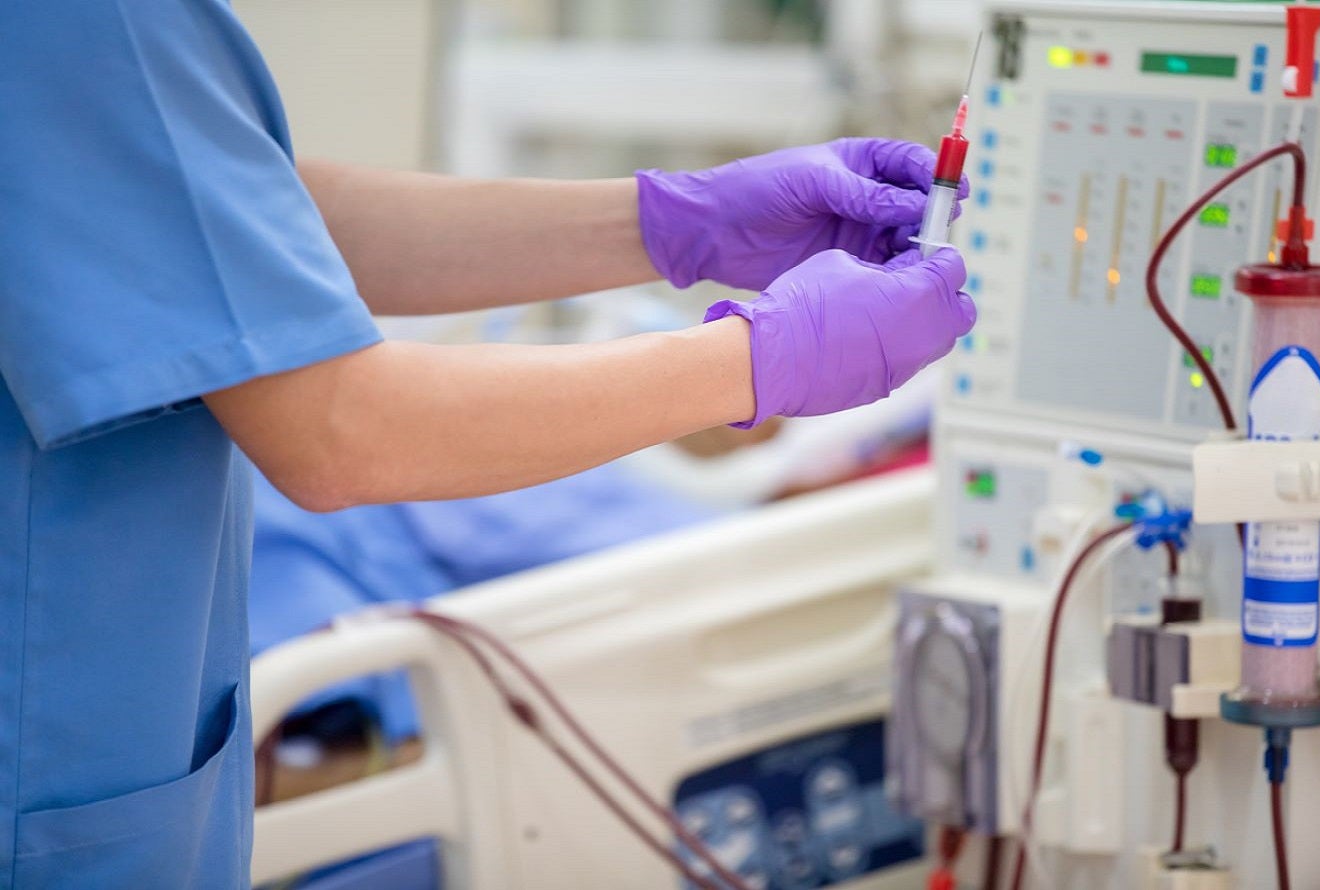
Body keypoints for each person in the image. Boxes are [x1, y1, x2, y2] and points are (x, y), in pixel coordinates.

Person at [0, 2, 975, 887]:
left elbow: (244, 217)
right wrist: (755, 362)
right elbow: (340, 432)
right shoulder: (88, 21)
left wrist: (675, 220)